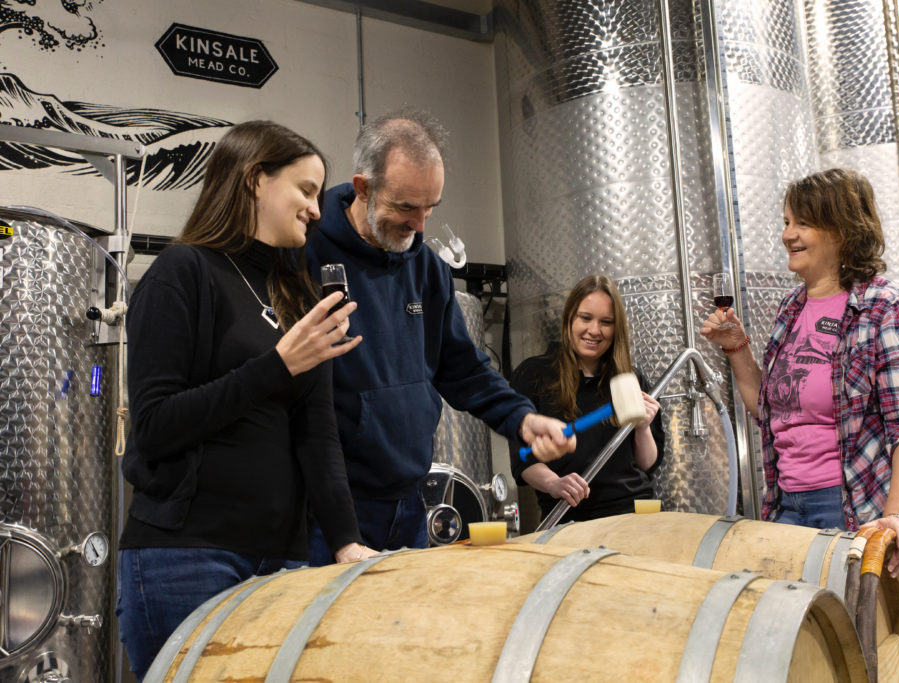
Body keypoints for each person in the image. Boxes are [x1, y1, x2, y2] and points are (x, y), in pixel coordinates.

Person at [116, 121, 373, 679]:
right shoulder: (182, 274)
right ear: (256, 180)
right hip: (187, 557)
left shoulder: (294, 293)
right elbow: (156, 426)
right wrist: (278, 365)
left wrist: (347, 541)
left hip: (281, 560)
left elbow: (318, 433)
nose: (316, 209)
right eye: (305, 190)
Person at [305, 109, 574, 557]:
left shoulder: (427, 268)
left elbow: (463, 369)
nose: (421, 225)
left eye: (431, 208)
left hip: (409, 502)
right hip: (329, 511)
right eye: (407, 207)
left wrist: (523, 419)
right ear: (363, 188)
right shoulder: (308, 254)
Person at [700, 168, 899, 609]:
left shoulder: (886, 307)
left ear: (843, 229)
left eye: (803, 223)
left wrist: (895, 518)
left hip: (864, 507)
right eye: (786, 222)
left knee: (874, 664)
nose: (787, 234)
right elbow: (773, 411)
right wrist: (737, 349)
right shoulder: (792, 307)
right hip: (792, 504)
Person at [509, 275, 664, 525]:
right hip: (567, 515)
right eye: (586, 318)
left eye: (606, 322)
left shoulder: (630, 379)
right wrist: (554, 483)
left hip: (632, 515)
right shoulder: (533, 375)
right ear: (570, 318)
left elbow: (647, 464)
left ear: (616, 329)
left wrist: (643, 427)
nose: (594, 330)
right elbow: (523, 459)